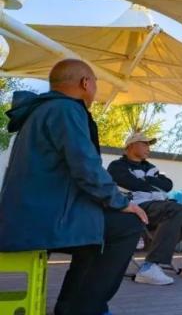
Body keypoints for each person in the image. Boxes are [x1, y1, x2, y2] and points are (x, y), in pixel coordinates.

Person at [0, 59, 148, 315]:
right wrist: (121, 203)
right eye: (96, 84)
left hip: (27, 214)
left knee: (95, 231)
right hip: (42, 219)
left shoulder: (43, 110)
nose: (96, 90)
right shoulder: (66, 109)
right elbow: (85, 167)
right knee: (127, 225)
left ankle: (72, 307)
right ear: (85, 83)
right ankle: (85, 309)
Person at [107, 132, 182, 285]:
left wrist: (146, 179)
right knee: (175, 209)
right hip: (134, 207)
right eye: (145, 144)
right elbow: (133, 184)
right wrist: (153, 183)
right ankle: (150, 267)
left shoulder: (150, 167)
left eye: (149, 145)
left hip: (157, 206)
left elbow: (168, 185)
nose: (148, 148)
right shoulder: (117, 166)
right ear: (131, 146)